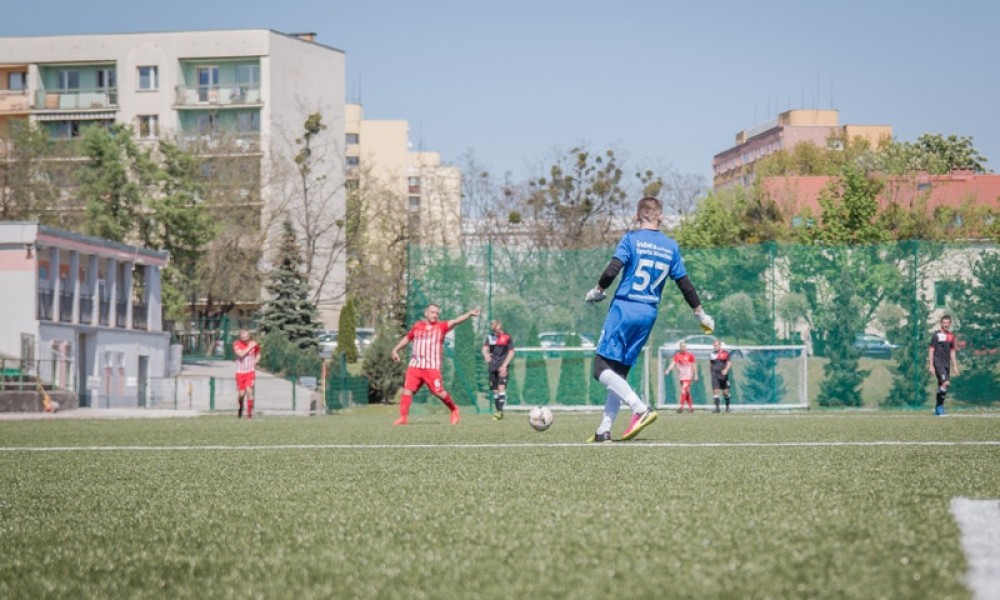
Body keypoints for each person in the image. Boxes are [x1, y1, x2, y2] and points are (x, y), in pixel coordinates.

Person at [584, 196, 714, 442]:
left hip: (625, 309)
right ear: (660, 217)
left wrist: (598, 291)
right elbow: (684, 284)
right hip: (648, 314)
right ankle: (604, 428)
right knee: (618, 371)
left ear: (637, 216)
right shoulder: (671, 246)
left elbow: (613, 269)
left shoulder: (631, 239)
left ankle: (639, 409)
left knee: (600, 368)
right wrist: (700, 313)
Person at [391, 304, 481, 426]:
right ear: (426, 313)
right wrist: (395, 349)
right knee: (407, 391)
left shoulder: (441, 327)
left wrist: (469, 314)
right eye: (433, 312)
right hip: (415, 366)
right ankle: (403, 418)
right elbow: (407, 338)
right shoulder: (417, 326)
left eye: (437, 313)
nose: (435, 315)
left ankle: (454, 410)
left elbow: (455, 321)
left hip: (431, 368)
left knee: (438, 392)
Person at [481, 319, 515, 420]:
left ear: (500, 325)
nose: (493, 325)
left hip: (502, 366)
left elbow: (511, 352)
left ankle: (499, 412)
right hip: (492, 366)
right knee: (495, 391)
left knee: (501, 387)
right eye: (491, 324)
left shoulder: (507, 337)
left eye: (495, 323)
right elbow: (484, 348)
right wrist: (486, 354)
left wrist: (504, 365)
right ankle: (498, 411)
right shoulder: (490, 337)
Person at [928, 314, 959, 416]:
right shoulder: (936, 336)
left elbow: (952, 351)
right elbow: (931, 350)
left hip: (946, 364)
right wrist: (931, 365)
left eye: (947, 323)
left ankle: (938, 409)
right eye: (944, 323)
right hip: (938, 362)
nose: (946, 325)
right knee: (946, 383)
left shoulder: (951, 336)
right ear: (941, 323)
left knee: (943, 386)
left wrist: (954, 366)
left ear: (950, 324)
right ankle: (940, 407)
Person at [233, 329, 260, 419]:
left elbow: (258, 354)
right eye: (243, 337)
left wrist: (255, 361)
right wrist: (249, 347)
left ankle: (249, 414)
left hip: (250, 372)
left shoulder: (253, 343)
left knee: (249, 391)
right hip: (240, 372)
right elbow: (241, 354)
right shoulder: (236, 344)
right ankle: (240, 407)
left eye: (247, 337)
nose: (245, 339)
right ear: (240, 338)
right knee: (241, 394)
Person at [664, 341, 698, 413]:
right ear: (680, 348)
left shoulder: (690, 355)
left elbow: (693, 365)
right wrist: (668, 370)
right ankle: (691, 408)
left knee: (683, 390)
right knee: (687, 392)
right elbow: (673, 363)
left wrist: (695, 375)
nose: (683, 348)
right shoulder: (677, 355)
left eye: (684, 346)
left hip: (688, 376)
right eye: (682, 346)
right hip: (682, 377)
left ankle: (681, 407)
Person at [709, 339, 732, 413]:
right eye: (714, 345)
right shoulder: (712, 354)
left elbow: (729, 363)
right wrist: (711, 372)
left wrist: (726, 370)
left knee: (726, 392)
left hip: (723, 375)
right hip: (715, 375)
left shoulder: (725, 353)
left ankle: (727, 407)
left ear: (720, 345)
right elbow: (711, 364)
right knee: (716, 391)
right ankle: (717, 408)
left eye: (716, 345)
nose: (715, 347)